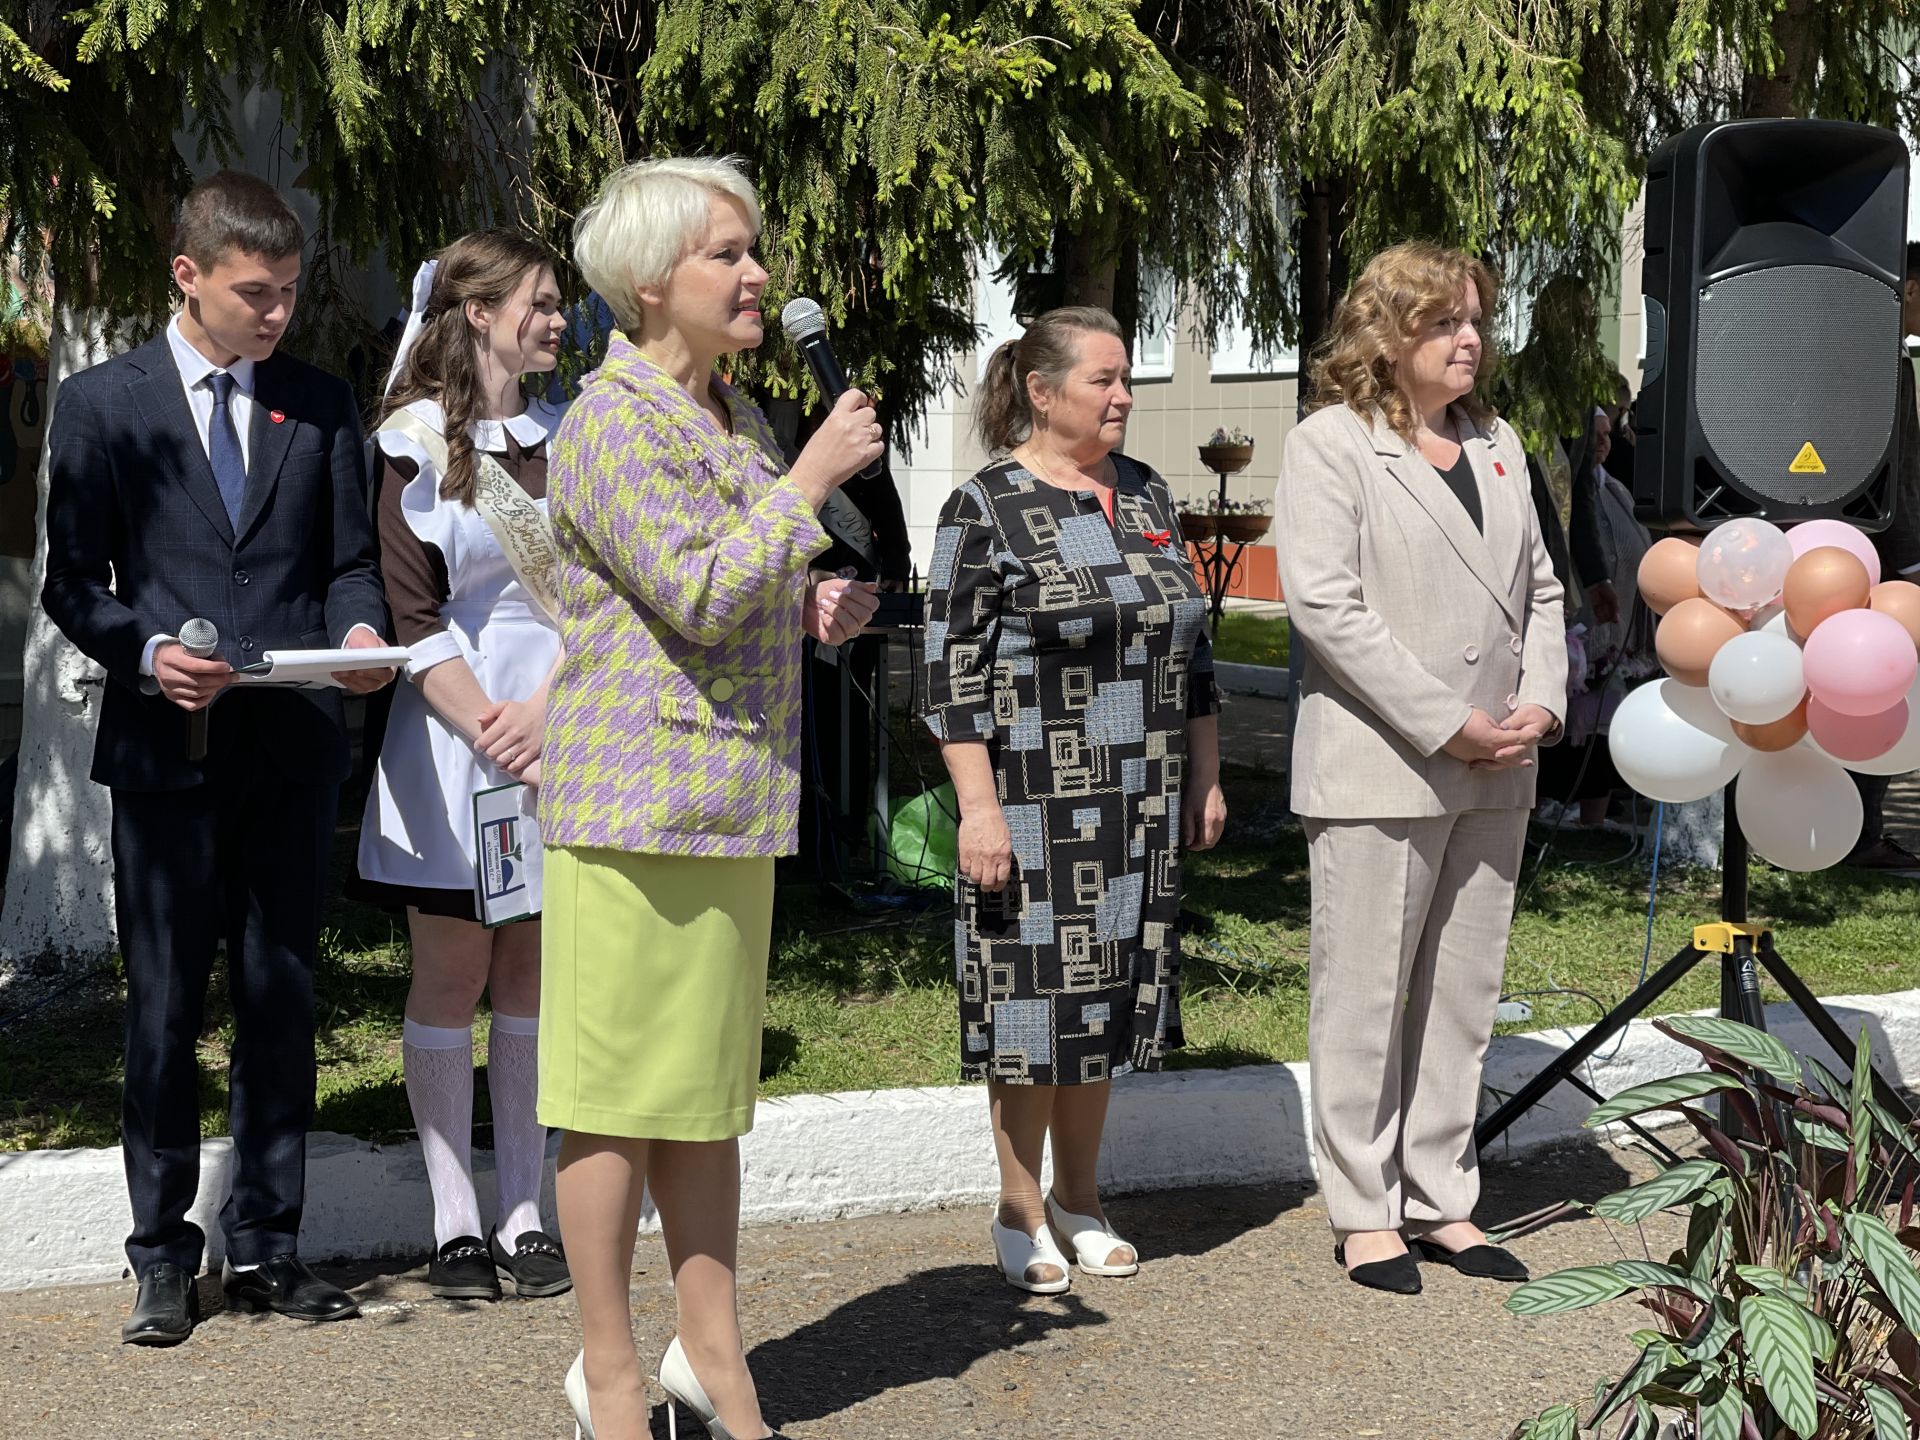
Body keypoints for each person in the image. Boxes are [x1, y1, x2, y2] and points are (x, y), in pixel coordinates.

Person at [539, 156, 880, 1440]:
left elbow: (727, 593)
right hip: (631, 808)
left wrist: (810, 606)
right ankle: (609, 1373)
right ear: (648, 282)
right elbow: (687, 589)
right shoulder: (610, 420)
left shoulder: (727, 416)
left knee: (703, 1101)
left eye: (754, 251)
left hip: (730, 799)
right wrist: (803, 492)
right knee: (616, 1103)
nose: (756, 276)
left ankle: (713, 1355)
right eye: (727, 255)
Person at [41, 170, 395, 1343]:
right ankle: (158, 1251)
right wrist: (142, 651)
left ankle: (269, 1245)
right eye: (257, 293)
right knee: (161, 1012)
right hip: (165, 759)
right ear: (188, 276)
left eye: (291, 293)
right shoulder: (103, 403)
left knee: (279, 996)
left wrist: (354, 634)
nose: (278, 314)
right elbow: (70, 582)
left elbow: (349, 564)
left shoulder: (321, 402)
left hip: (293, 749)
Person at [1273, 241, 1567, 1296]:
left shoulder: (1498, 442)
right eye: (1446, 322)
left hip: (1500, 764)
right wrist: (1450, 723)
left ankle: (1443, 1198)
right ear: (1387, 335)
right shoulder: (1332, 444)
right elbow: (1325, 607)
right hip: (1384, 762)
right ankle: (1363, 1211)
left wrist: (1543, 700)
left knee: (1461, 992)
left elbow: (1541, 587)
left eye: (1477, 320)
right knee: (1364, 994)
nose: (1471, 340)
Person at [923, 306, 1227, 1295]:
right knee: (1030, 1010)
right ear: (1043, 393)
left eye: (1126, 378)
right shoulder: (986, 506)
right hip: (1034, 797)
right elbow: (948, 677)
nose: (1124, 395)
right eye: (1103, 380)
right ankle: (1019, 1209)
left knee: (1100, 1004)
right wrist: (978, 811)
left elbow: (1198, 650)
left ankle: (1080, 1201)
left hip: (1141, 798)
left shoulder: (1146, 494)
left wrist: (1207, 773)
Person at [352, 231, 573, 1301]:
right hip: (453, 746)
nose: (559, 320)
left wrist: (544, 712)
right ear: (477, 312)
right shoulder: (409, 443)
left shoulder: (570, 436)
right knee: (451, 973)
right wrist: (490, 722)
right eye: (539, 301)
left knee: (532, 973)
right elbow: (409, 610)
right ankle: (454, 1222)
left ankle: (529, 1209)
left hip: (558, 735)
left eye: (562, 303)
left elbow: (603, 598)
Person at [1539, 408, 1656, 827]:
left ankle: (1592, 817)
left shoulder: (1619, 492)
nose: (1603, 442)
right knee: (1568, 721)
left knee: (1603, 723)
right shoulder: (1559, 492)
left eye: (1608, 434)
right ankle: (1550, 805)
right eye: (1596, 434)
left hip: (1614, 627)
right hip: (1577, 626)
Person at [1846, 240, 1920, 873]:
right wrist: (1912, 560)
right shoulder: (1878, 362)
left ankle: (1859, 828)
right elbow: (1896, 476)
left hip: (1869, 548)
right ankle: (1858, 833)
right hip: (1874, 554)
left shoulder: (1875, 355)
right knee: (1875, 686)